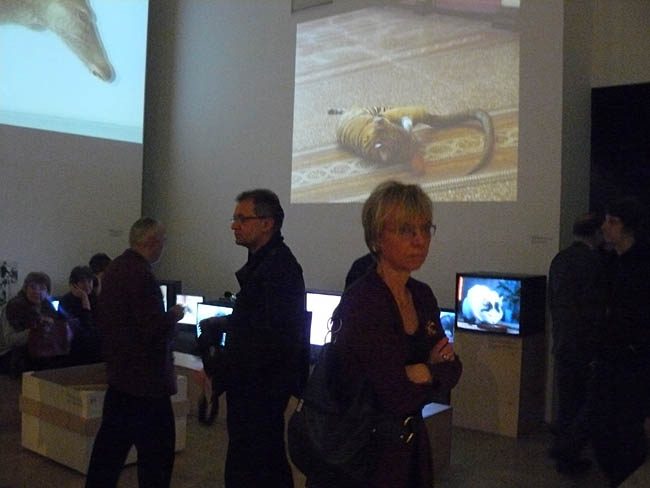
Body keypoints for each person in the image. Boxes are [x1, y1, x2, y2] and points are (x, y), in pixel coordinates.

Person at [309, 180, 462, 488]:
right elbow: (394, 395)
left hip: (406, 445)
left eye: (425, 229)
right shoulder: (364, 301)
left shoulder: (421, 295)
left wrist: (422, 372)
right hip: (362, 453)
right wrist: (431, 372)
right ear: (377, 237)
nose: (420, 240)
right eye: (406, 230)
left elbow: (453, 368)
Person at [205, 188, 307, 488]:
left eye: (242, 219)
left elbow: (269, 340)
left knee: (259, 463)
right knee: (257, 460)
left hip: (261, 390)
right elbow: (258, 322)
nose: (234, 225)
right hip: (254, 389)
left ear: (267, 223)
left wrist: (220, 364)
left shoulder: (279, 269)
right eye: (234, 218)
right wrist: (225, 324)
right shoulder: (267, 264)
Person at [85, 218, 185, 488]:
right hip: (147, 386)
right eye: (163, 241)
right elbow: (152, 330)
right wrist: (174, 315)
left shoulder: (115, 268)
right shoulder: (141, 275)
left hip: (120, 379)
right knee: (156, 461)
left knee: (107, 457)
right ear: (151, 242)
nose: (164, 246)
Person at [589, 196, 650, 486]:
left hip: (631, 363)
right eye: (605, 220)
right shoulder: (611, 262)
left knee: (623, 431)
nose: (604, 227)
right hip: (610, 360)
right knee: (604, 430)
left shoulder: (639, 267)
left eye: (612, 222)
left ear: (628, 228)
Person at [547, 212, 607, 474]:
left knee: (567, 402)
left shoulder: (560, 259)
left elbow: (554, 302)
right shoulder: (593, 263)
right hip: (584, 344)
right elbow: (594, 310)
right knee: (585, 402)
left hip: (563, 341)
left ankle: (565, 453)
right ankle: (569, 453)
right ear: (596, 233)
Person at [0, 272, 66, 374]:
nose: (37, 291)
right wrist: (36, 330)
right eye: (33, 287)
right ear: (25, 289)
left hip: (39, 350)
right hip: (10, 353)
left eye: (42, 288)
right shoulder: (12, 307)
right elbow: (9, 340)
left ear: (47, 292)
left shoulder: (49, 306)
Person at [59, 266, 102, 365]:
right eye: (82, 282)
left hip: (95, 342)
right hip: (76, 344)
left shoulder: (95, 298)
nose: (87, 285)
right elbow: (85, 328)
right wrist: (85, 300)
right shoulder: (66, 301)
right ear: (74, 284)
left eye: (89, 281)